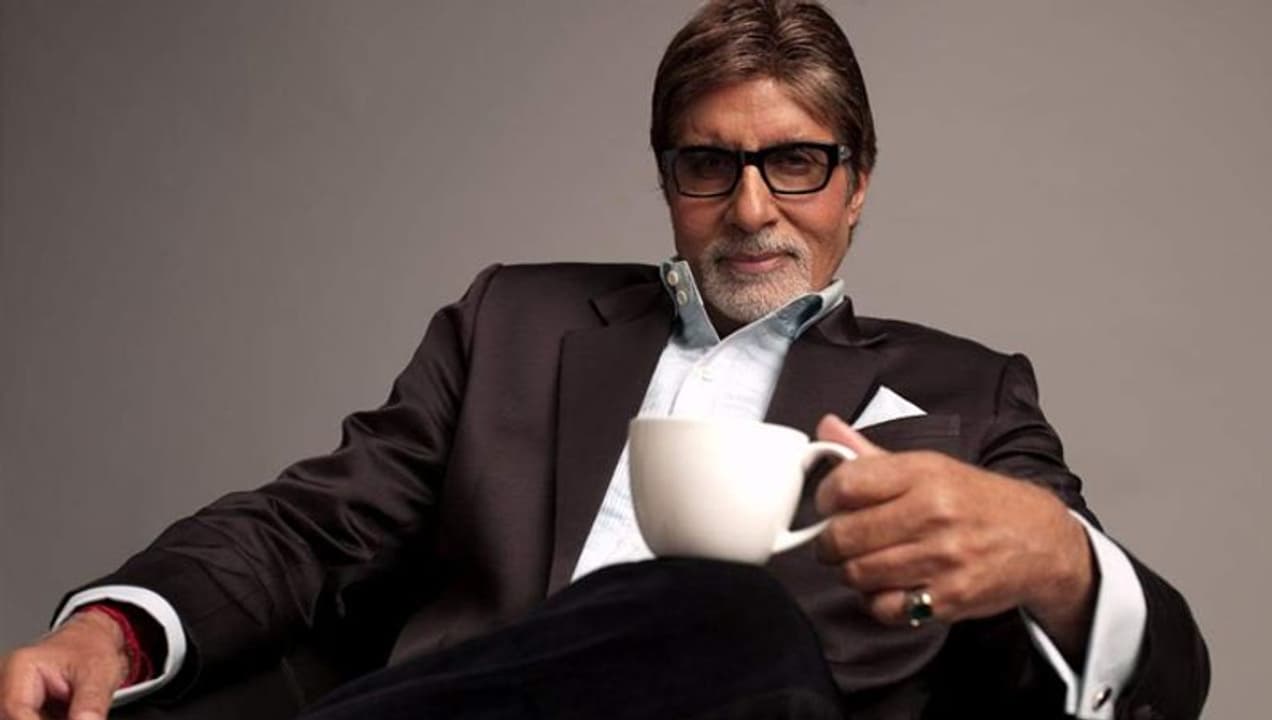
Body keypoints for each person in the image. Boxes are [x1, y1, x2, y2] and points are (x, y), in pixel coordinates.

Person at [0, 1, 1209, 719]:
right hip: (448, 695)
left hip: (740, 690)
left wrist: (1053, 555)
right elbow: (309, 528)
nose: (750, 208)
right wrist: (113, 630)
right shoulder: (513, 323)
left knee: (721, 608)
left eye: (794, 162)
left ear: (855, 184)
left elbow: (1164, 667)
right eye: (707, 164)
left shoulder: (965, 393)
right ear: (667, 181)